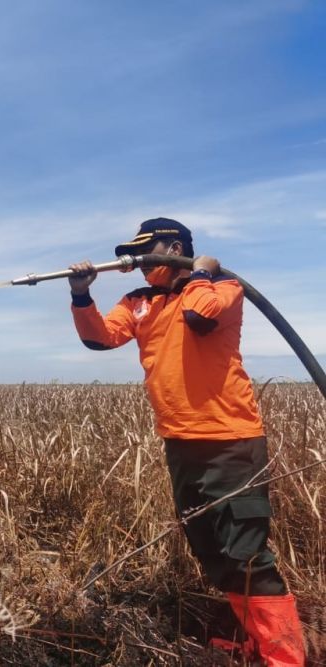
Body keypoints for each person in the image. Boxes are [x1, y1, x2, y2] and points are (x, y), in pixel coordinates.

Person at [67, 218, 305, 666]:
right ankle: (255, 641)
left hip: (230, 442)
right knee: (211, 547)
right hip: (179, 443)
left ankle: (285, 658)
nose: (140, 264)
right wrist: (81, 294)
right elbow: (100, 339)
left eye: (148, 251)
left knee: (246, 554)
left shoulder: (223, 287)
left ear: (174, 248)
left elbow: (199, 318)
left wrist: (201, 271)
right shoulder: (138, 301)